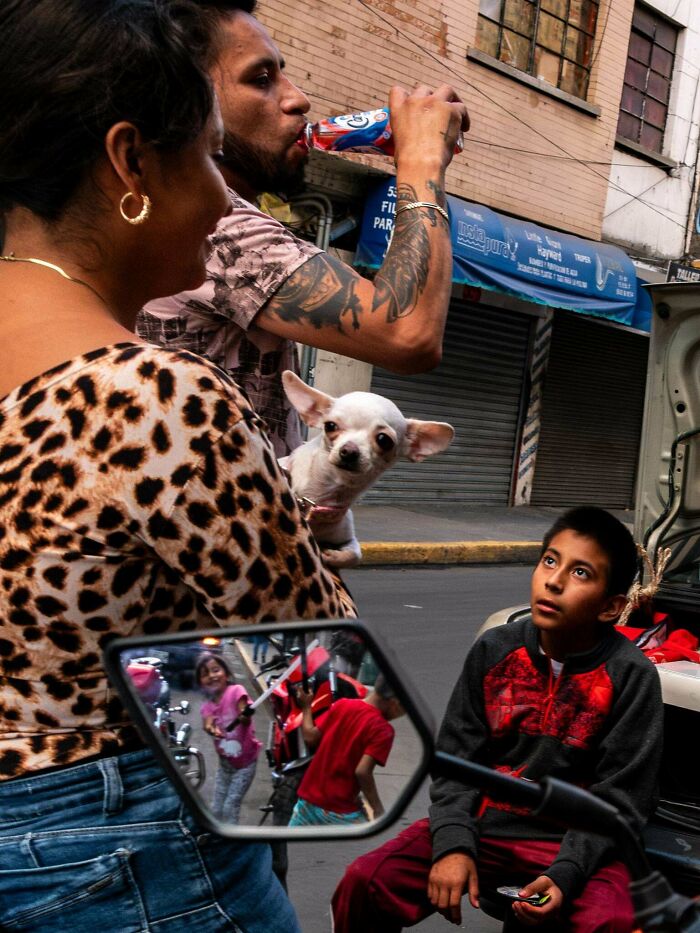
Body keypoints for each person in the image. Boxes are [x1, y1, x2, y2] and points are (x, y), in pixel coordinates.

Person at [0, 2, 354, 930]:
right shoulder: (148, 396)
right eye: (204, 155)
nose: (220, 198)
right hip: (124, 860)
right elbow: (311, 642)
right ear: (131, 162)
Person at [136, 0, 470, 456]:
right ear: (189, 104)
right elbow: (408, 334)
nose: (298, 98)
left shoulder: (190, 212)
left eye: (283, 74)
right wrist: (421, 160)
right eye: (261, 79)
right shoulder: (216, 225)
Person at [331, 507, 664, 932]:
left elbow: (622, 802)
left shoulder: (631, 676)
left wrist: (564, 875)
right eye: (549, 561)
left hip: (576, 843)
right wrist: (452, 844)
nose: (555, 581)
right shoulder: (495, 651)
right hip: (487, 828)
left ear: (611, 606)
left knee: (608, 922)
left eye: (581, 573)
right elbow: (456, 761)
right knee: (365, 882)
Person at [289, 674, 405, 826]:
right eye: (403, 710)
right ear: (395, 703)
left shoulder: (342, 705)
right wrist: (378, 809)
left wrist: (306, 707)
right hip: (338, 812)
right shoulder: (383, 730)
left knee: (293, 848)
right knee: (369, 845)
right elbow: (362, 772)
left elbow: (310, 737)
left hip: (306, 804)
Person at [196, 653, 262, 824]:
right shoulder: (207, 707)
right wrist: (212, 730)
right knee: (216, 809)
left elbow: (244, 713)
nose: (212, 676)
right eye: (205, 674)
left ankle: (232, 841)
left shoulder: (236, 691)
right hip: (225, 765)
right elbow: (208, 724)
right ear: (200, 682)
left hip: (246, 763)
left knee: (230, 806)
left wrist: (244, 715)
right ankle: (218, 840)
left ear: (226, 673)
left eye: (216, 670)